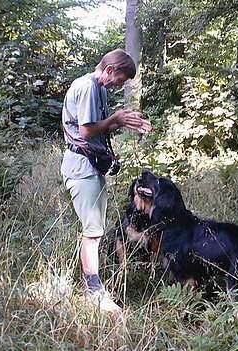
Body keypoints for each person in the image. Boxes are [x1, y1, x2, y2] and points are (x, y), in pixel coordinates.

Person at [61, 49, 152, 314]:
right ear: (111, 70)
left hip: (91, 169)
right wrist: (115, 119)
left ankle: (95, 286)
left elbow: (99, 126)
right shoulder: (88, 87)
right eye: (120, 80)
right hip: (81, 170)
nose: (119, 86)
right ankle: (94, 293)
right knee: (92, 233)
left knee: (95, 231)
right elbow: (87, 131)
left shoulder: (98, 89)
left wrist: (124, 121)